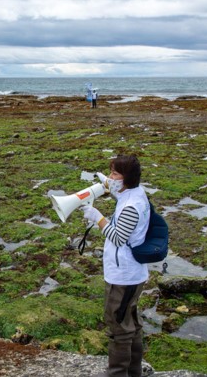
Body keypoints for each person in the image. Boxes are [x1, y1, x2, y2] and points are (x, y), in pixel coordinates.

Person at [81, 155, 150, 377]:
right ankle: (133, 372)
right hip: (131, 274)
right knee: (132, 323)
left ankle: (119, 373)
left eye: (114, 174)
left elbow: (119, 237)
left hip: (124, 276)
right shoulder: (133, 194)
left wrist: (98, 218)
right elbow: (121, 202)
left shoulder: (132, 205)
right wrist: (105, 185)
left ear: (126, 178)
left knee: (119, 326)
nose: (111, 178)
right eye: (110, 173)